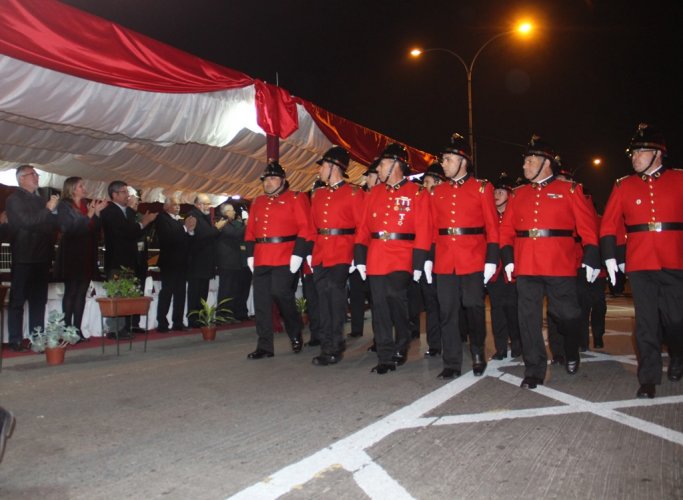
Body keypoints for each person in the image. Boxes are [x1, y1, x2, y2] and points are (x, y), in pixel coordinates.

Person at [500, 134, 600, 389]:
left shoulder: (570, 190)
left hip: (559, 263)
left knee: (565, 315)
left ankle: (570, 349)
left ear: (546, 162)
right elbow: (506, 231)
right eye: (525, 161)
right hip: (527, 263)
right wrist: (509, 258)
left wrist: (590, 256)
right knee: (528, 319)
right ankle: (534, 369)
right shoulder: (518, 194)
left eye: (530, 161)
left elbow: (588, 229)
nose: (524, 166)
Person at [600, 123, 683, 399]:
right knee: (646, 323)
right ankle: (648, 377)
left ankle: (678, 358)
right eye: (632, 153)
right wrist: (612, 257)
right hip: (640, 263)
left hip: (675, 260)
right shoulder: (623, 185)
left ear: (658, 153)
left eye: (639, 152)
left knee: (676, 321)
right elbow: (609, 224)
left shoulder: (680, 180)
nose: (633, 158)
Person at [355, 143, 432, 374]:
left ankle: (403, 339)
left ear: (397, 165)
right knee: (379, 307)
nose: (379, 168)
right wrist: (359, 256)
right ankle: (385, 356)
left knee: (394, 296)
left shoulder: (417, 193)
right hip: (377, 254)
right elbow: (363, 228)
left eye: (384, 163)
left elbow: (424, 229)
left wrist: (418, 262)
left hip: (403, 253)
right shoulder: (373, 193)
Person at [428, 134, 500, 379]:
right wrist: (428, 258)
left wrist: (491, 259)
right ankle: (452, 362)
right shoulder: (437, 192)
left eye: (448, 159)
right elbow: (431, 228)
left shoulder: (482, 188)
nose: (443, 164)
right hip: (445, 259)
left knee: (474, 306)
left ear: (463, 161)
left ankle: (478, 351)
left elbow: (492, 227)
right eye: (443, 159)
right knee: (447, 310)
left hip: (473, 258)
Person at [244, 161, 315, 359]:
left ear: (283, 180)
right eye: (266, 179)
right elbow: (250, 231)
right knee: (261, 302)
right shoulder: (257, 202)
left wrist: (298, 254)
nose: (268, 182)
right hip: (261, 256)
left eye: (273, 178)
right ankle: (265, 346)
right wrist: (250, 253)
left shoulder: (296, 198)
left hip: (285, 255)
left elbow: (305, 228)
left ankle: (295, 331)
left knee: (281, 293)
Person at [309, 146, 365, 366]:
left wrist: (356, 255)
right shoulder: (318, 194)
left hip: (342, 251)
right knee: (323, 300)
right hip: (321, 253)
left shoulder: (354, 193)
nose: (319, 170)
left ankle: (330, 348)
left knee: (334, 298)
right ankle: (335, 340)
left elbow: (362, 227)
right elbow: (313, 227)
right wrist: (309, 253)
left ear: (333, 167)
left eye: (322, 166)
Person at [5, 165, 60, 351]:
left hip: (42, 256)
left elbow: (49, 226)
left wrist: (49, 213)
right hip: (24, 256)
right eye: (32, 174)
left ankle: (37, 338)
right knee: (18, 300)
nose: (37, 177)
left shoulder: (39, 200)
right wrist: (47, 211)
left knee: (39, 301)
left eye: (37, 174)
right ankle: (15, 339)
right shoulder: (14, 199)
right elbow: (26, 222)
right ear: (21, 178)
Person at [100, 180, 157, 339]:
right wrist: (142, 223)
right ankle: (114, 329)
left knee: (127, 293)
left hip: (130, 259)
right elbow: (124, 231)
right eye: (124, 192)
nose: (128, 196)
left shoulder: (128, 212)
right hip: (116, 259)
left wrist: (143, 222)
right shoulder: (110, 211)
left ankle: (126, 326)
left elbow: (136, 232)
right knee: (117, 293)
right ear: (115, 194)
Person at [54, 177, 107, 340]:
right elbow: (69, 228)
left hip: (87, 253)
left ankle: (77, 329)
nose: (84, 188)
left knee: (82, 292)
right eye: (81, 186)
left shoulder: (85, 204)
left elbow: (94, 229)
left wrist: (96, 214)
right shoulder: (65, 205)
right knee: (71, 292)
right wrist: (89, 214)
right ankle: (67, 330)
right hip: (72, 253)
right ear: (72, 189)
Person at [486, 172, 521, 360]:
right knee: (497, 310)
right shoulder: (488, 215)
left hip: (512, 270)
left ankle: (517, 343)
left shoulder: (516, 215)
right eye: (494, 192)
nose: (496, 195)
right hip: (493, 271)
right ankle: (500, 348)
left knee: (513, 308)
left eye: (500, 191)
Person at [348, 158, 380, 339]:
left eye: (370, 176)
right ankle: (357, 327)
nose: (367, 180)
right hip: (360, 249)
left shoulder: (381, 196)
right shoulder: (362, 195)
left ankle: (380, 336)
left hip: (376, 250)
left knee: (376, 295)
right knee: (357, 291)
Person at [155, 196, 196, 332]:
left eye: (179, 204)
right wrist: (185, 228)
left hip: (181, 263)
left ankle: (177, 322)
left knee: (180, 293)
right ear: (166, 207)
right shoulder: (162, 219)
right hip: (169, 263)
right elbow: (168, 237)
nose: (178, 207)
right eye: (174, 204)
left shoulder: (178, 221)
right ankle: (162, 323)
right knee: (167, 292)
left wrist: (190, 232)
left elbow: (184, 241)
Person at [186, 194, 226, 328]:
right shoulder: (193, 216)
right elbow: (203, 235)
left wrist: (216, 229)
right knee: (195, 292)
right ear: (198, 204)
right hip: (197, 262)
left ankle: (200, 318)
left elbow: (210, 235)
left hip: (205, 262)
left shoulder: (204, 216)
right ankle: (193, 319)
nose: (209, 206)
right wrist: (217, 228)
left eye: (209, 204)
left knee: (202, 292)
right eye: (206, 203)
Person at [419, 162, 445, 358]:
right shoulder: (421, 201)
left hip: (442, 257)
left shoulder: (443, 202)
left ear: (437, 182)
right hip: (425, 257)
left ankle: (454, 336)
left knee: (447, 301)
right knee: (431, 302)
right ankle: (434, 343)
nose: (424, 186)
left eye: (427, 182)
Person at [216, 202, 247, 322]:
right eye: (232, 210)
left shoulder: (232, 223)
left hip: (235, 261)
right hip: (226, 262)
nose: (234, 212)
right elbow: (235, 234)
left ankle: (230, 314)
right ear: (225, 212)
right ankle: (221, 315)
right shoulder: (221, 222)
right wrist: (246, 225)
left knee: (233, 289)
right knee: (225, 289)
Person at [126, 188, 151, 333]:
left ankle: (135, 322)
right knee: (128, 291)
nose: (136, 205)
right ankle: (127, 323)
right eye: (134, 201)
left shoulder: (140, 216)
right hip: (129, 259)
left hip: (141, 258)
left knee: (139, 291)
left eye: (137, 202)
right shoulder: (125, 216)